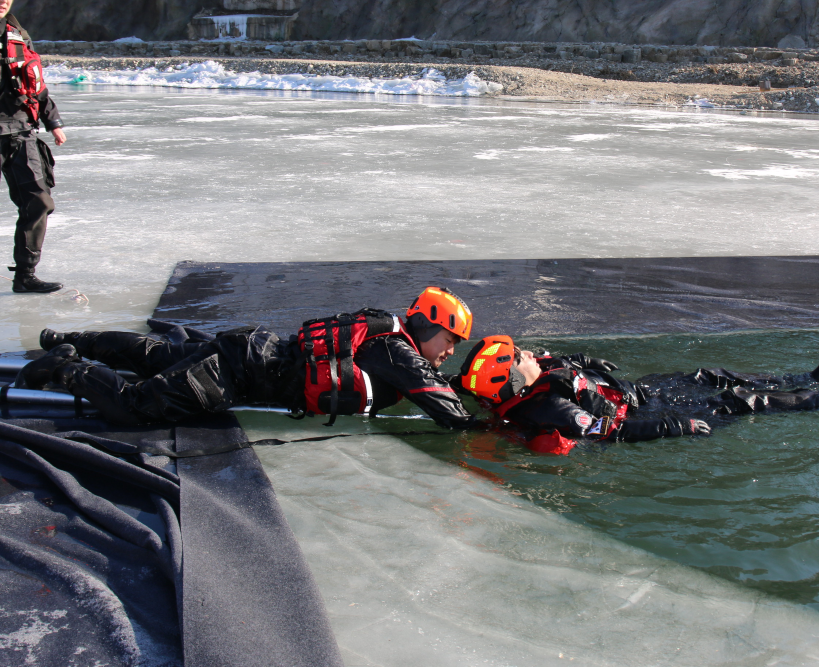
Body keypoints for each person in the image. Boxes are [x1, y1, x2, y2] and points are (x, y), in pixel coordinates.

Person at [15, 286, 480, 428]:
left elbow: (434, 387)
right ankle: (66, 366)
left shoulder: (386, 335)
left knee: (158, 355)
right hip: (239, 371)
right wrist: (490, 425)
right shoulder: (397, 351)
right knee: (137, 407)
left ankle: (71, 339)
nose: (450, 351)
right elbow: (447, 411)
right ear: (426, 326)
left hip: (252, 349)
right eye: (449, 339)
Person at [458, 335, 819, 455]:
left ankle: (802, 377)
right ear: (513, 380)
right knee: (738, 401)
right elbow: (612, 432)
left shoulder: (534, 376)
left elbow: (555, 364)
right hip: (644, 415)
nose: (527, 353)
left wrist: (583, 360)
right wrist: (673, 426)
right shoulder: (551, 408)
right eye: (518, 357)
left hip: (638, 393)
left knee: (710, 376)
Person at [0, 1, 66, 293]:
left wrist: (53, 121)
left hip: (20, 130)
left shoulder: (17, 33)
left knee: (39, 202)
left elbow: (35, 82)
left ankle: (25, 276)